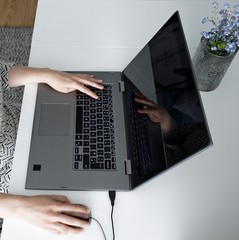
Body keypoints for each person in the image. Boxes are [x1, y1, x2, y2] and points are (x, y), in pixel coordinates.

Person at [0, 62, 104, 235]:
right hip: (10, 186)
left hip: (22, 122)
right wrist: (20, 207)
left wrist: (46, 74)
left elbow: (2, 73)